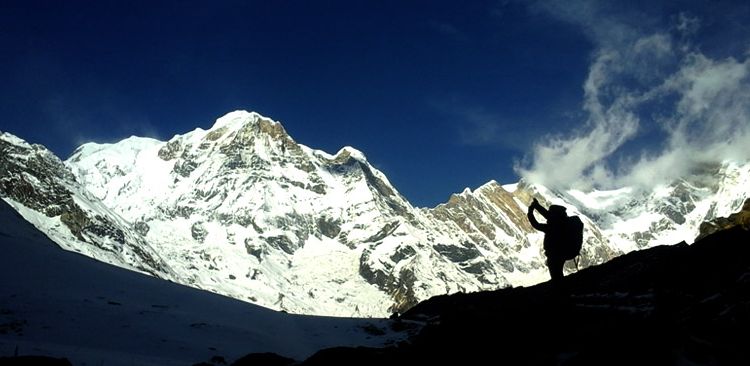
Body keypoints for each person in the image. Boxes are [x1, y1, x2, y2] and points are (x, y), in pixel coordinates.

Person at [527, 198, 570, 282]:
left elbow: (536, 224)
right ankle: (562, 290)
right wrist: (537, 206)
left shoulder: (551, 227)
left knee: (556, 275)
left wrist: (530, 212)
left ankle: (560, 292)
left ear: (554, 215)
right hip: (562, 253)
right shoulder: (563, 223)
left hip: (554, 254)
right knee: (558, 273)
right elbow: (547, 215)